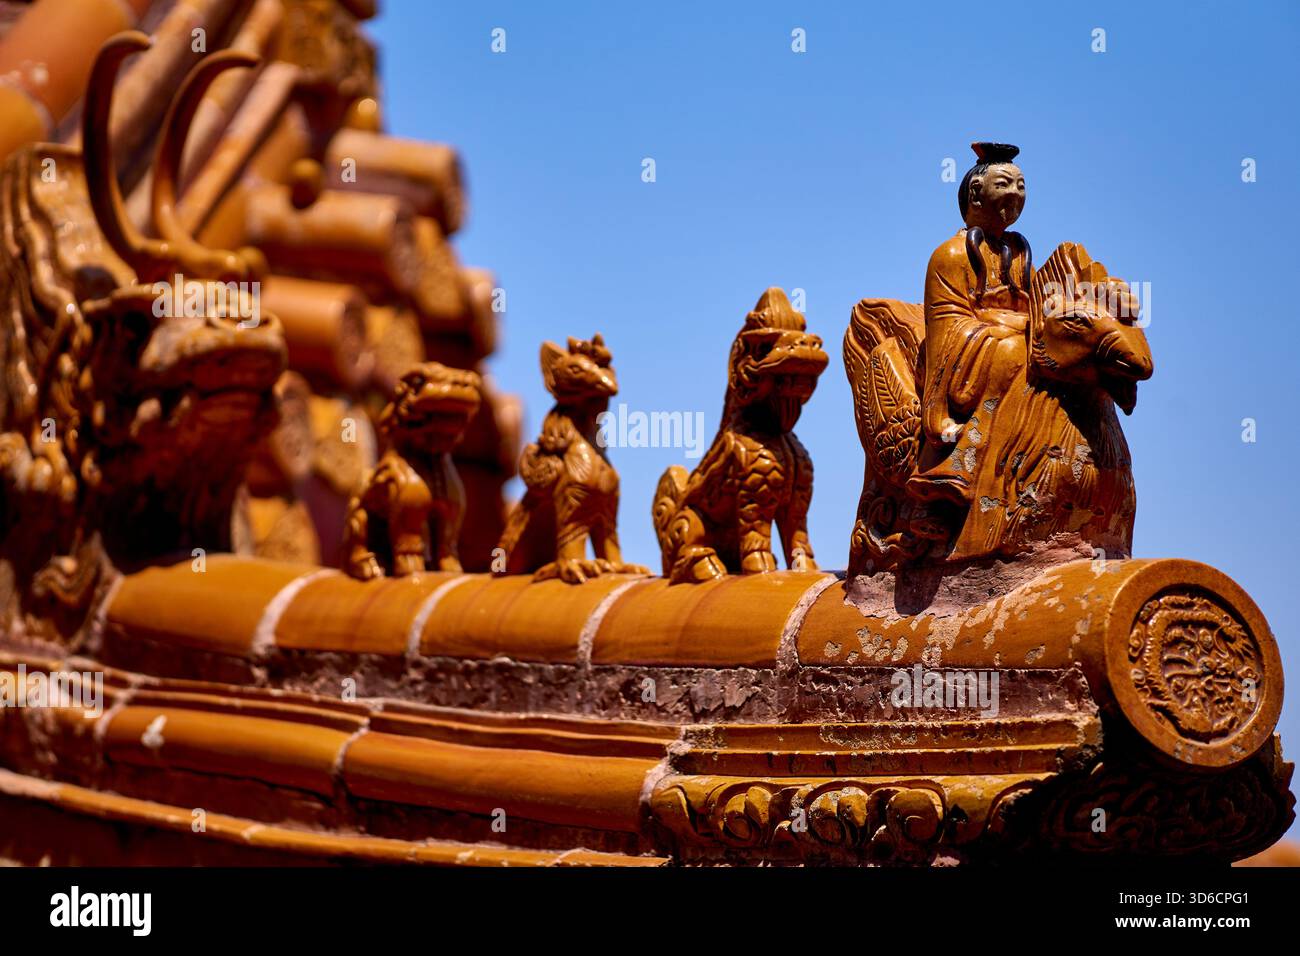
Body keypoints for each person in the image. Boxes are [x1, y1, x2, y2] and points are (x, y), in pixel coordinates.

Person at [906, 142, 1033, 506]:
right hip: (971, 358)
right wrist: (1006, 322)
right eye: (1004, 184)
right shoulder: (951, 254)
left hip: (1010, 340)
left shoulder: (1020, 255)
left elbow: (1034, 309)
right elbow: (950, 325)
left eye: (1021, 186)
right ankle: (955, 465)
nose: (1015, 194)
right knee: (1013, 351)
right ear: (976, 192)